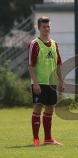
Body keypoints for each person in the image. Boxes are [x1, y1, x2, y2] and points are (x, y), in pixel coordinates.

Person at [28, 16, 64, 146]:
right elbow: (31, 66)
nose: (46, 29)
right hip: (40, 83)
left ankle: (48, 139)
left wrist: (61, 81)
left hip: (52, 83)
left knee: (50, 109)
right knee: (37, 109)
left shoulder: (54, 44)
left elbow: (59, 64)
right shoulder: (35, 44)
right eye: (44, 27)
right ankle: (36, 139)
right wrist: (35, 83)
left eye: (48, 26)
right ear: (39, 28)